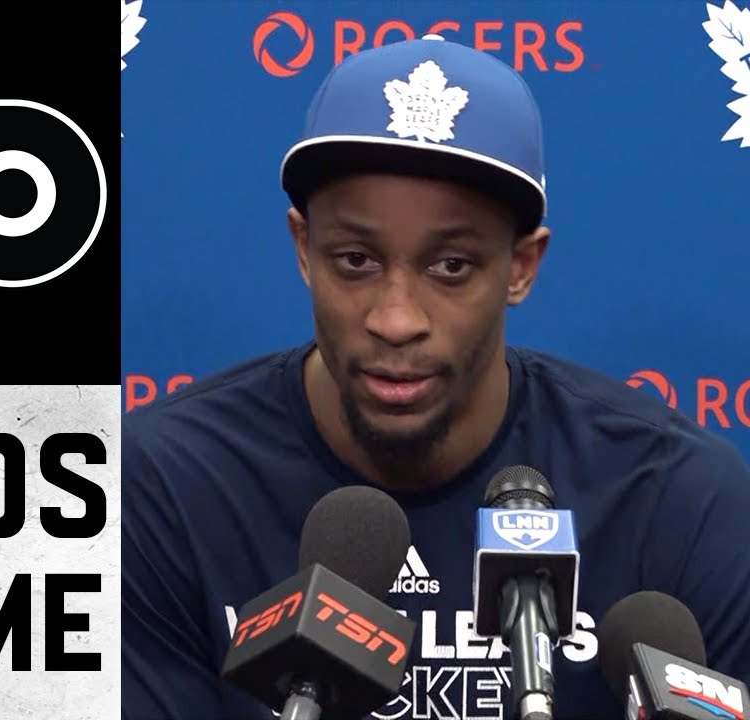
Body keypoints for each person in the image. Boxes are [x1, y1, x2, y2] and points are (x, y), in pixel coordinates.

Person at [121, 34, 750, 720]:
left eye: (451, 266)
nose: (396, 319)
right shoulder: (159, 489)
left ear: (520, 266)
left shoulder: (680, 503)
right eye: (356, 260)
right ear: (304, 249)